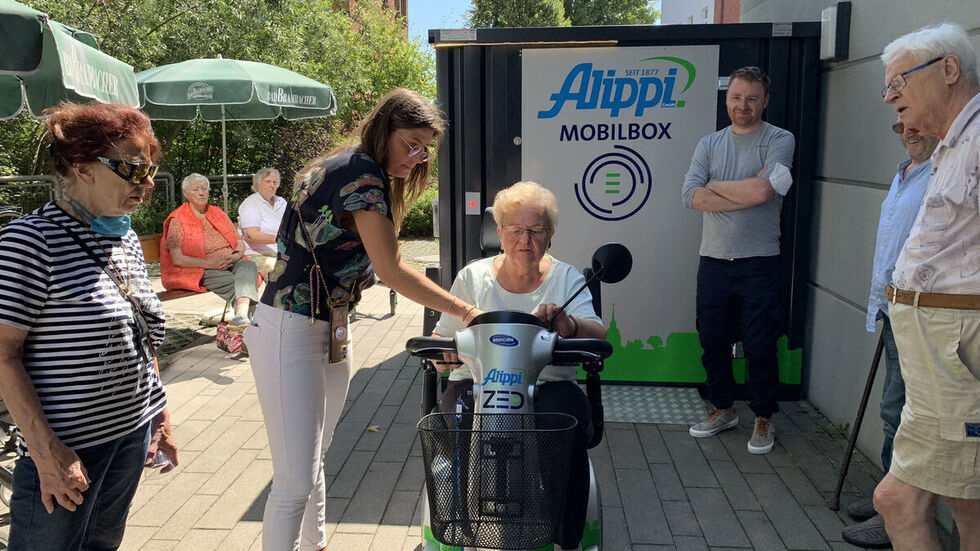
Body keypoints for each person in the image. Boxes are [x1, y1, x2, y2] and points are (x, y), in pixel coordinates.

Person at [244, 88, 482, 551]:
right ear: (384, 128)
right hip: (290, 328)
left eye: (424, 150)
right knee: (294, 479)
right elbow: (393, 270)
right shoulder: (361, 174)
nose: (416, 157)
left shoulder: (350, 165)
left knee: (313, 459)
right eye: (410, 143)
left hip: (326, 326)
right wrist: (468, 311)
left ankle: (315, 545)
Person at [0, 102, 178, 550]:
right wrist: (46, 452)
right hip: (66, 450)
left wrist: (158, 417)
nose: (148, 183)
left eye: (151, 170)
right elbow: (2, 353)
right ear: (82, 168)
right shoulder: (30, 242)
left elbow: (140, 335)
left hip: (130, 433)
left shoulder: (124, 236)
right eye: (134, 169)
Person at [432, 180, 605, 551]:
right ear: (500, 233)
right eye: (514, 230)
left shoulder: (567, 279)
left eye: (535, 230)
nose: (524, 240)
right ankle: (468, 531)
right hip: (476, 383)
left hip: (547, 384)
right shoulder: (472, 278)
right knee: (460, 420)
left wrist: (569, 324)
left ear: (550, 236)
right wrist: (442, 356)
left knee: (562, 423)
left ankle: (566, 539)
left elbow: (598, 334)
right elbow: (441, 338)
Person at [874, 22, 980, 549]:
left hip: (953, 353)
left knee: (930, 503)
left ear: (949, 69)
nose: (890, 97)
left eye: (900, 82)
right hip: (936, 354)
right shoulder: (950, 146)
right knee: (952, 502)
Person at [681, 66, 796, 455]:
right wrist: (745, 190)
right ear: (726, 98)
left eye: (751, 99)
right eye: (736, 97)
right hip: (714, 260)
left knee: (761, 344)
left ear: (765, 101)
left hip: (760, 261)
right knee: (712, 340)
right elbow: (690, 196)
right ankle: (723, 409)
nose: (742, 105)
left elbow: (764, 192)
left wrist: (715, 187)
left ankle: (763, 416)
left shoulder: (779, 140)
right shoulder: (709, 144)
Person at [841, 121, 939, 548]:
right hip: (893, 308)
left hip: (921, 314)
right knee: (892, 408)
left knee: (903, 413)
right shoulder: (906, 172)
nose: (907, 131)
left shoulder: (941, 173)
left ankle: (900, 512)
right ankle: (890, 497)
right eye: (901, 125)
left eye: (916, 124)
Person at [160, 173, 259, 325]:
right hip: (202, 269)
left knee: (249, 266)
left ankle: (242, 318)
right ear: (186, 194)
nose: (201, 193)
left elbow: (239, 242)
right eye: (195, 189)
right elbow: (178, 258)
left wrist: (236, 255)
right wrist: (210, 264)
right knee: (240, 284)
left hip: (232, 261)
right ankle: (247, 321)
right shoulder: (178, 219)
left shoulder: (217, 212)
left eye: (204, 188)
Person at [238, 167, 287, 277]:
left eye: (275, 182)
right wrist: (281, 239)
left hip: (281, 254)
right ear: (257, 184)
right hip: (257, 255)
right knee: (282, 274)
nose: (272, 185)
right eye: (267, 181)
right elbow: (251, 235)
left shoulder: (282, 202)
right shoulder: (251, 203)